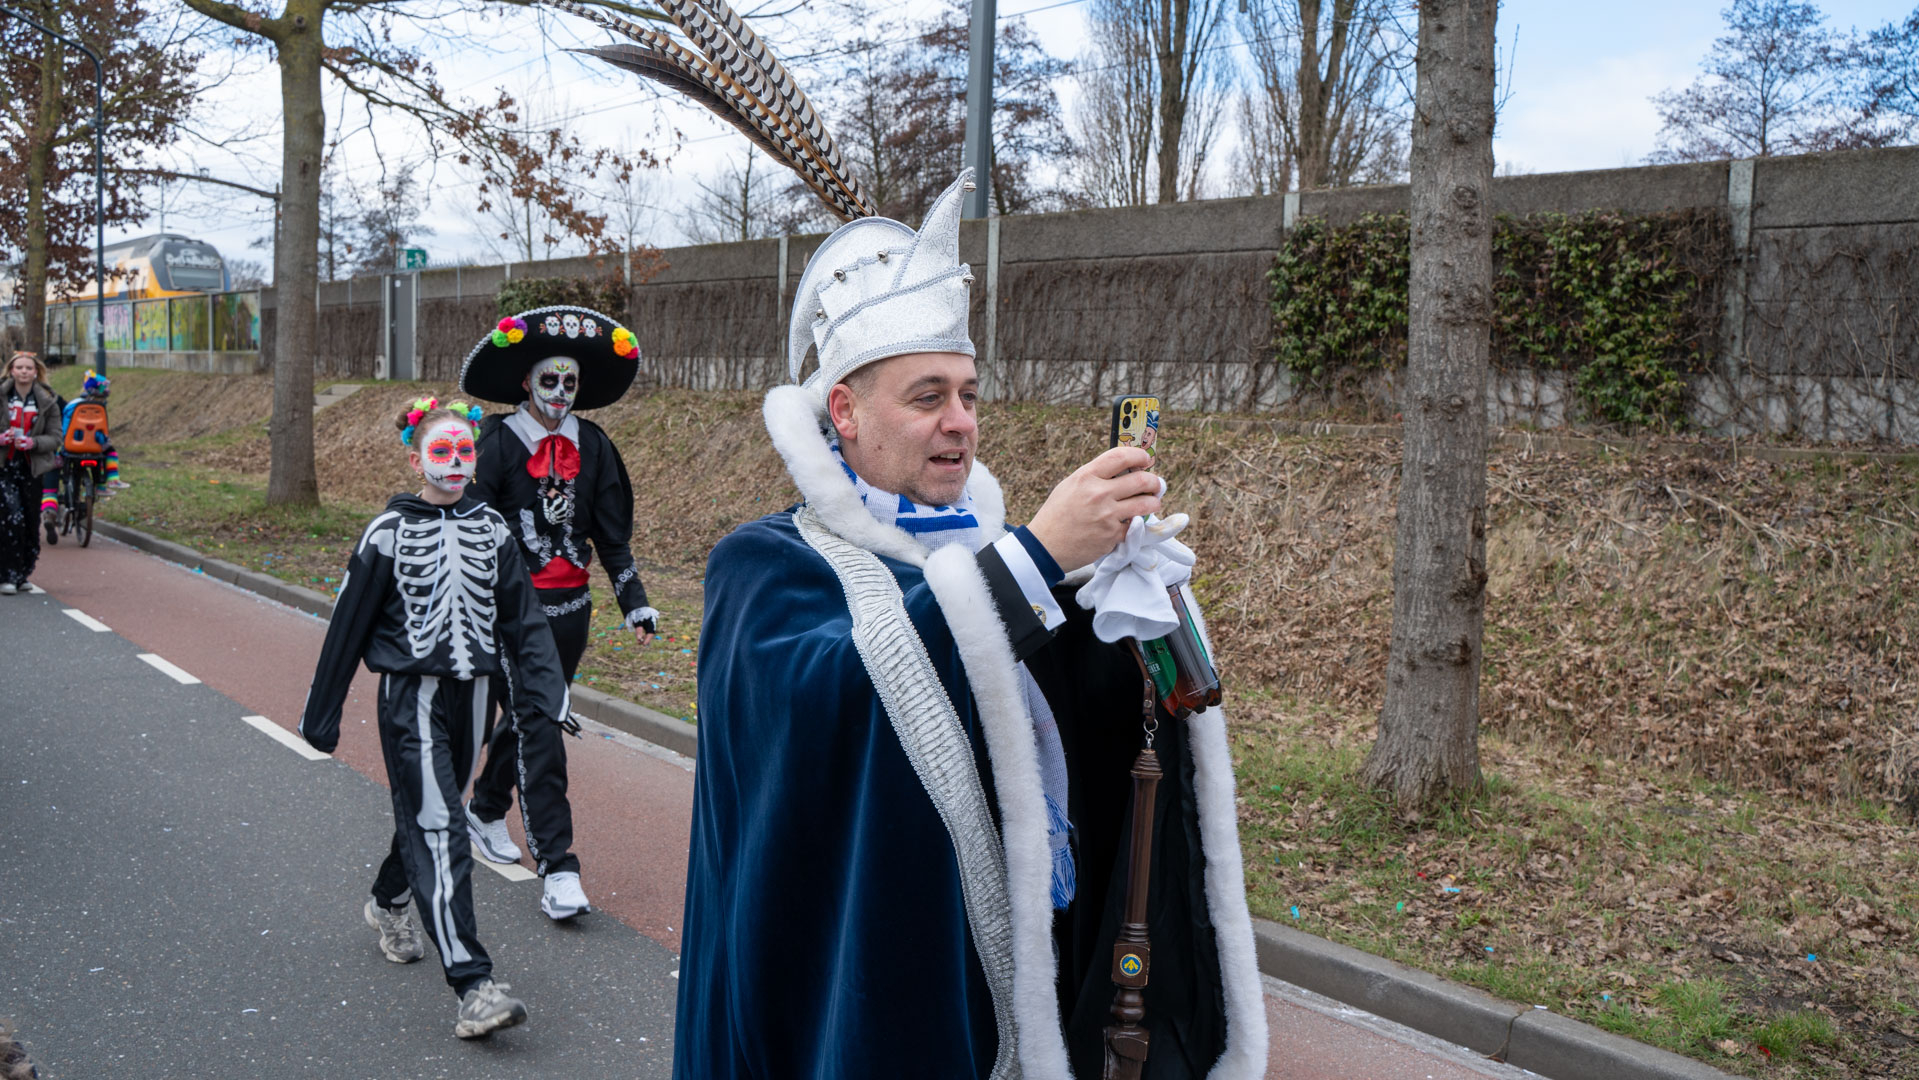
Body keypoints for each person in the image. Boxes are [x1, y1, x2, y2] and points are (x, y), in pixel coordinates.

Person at [673, 173, 1267, 1079]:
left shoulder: (991, 552)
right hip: (867, 978)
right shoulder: (764, 561)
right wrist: (1032, 560)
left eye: (969, 395)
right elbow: (843, 696)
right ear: (844, 412)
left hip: (1021, 966)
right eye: (927, 398)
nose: (960, 424)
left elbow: (1064, 730)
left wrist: (1122, 608)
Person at [299, 396, 571, 1040]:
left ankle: (389, 899)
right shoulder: (387, 532)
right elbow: (347, 625)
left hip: (474, 696)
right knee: (442, 826)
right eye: (441, 451)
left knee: (434, 812)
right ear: (416, 460)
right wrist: (321, 716)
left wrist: (549, 692)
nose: (454, 460)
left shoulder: (493, 528)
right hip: (411, 698)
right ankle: (474, 984)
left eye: (464, 450)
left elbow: (523, 617)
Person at [455, 305, 657, 921]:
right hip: (514, 614)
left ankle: (485, 808)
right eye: (550, 379)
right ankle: (559, 868)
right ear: (526, 382)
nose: (561, 392)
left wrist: (634, 601)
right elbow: (473, 530)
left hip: (572, 613)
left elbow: (611, 536)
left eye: (571, 382)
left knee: (530, 715)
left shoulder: (592, 445)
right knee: (542, 723)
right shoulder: (497, 443)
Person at [1, 352, 59, 594]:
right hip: (4, 466)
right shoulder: (2, 397)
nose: (24, 371)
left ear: (36, 372)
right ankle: (7, 575)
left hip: (31, 467)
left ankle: (23, 572)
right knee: (11, 517)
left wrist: (33, 443)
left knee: (30, 520)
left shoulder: (48, 401)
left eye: (28, 368)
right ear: (11, 371)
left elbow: (55, 437)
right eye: (19, 367)